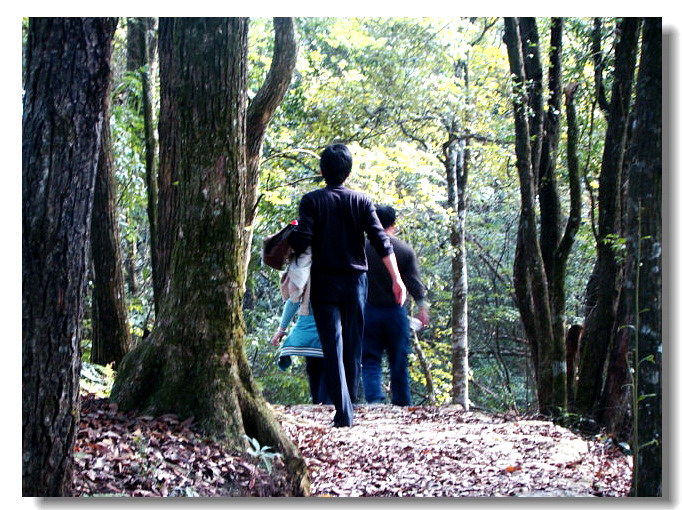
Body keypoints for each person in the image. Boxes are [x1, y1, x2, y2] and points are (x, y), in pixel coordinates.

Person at [288, 143, 406, 427]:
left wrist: (292, 235)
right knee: (352, 346)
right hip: (355, 283)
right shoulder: (362, 201)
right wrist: (397, 279)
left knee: (332, 344)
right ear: (348, 172)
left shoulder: (311, 200)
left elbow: (302, 240)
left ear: (322, 171)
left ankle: (344, 410)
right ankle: (347, 405)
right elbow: (381, 241)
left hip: (324, 282)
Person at [362, 205, 429, 406]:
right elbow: (414, 282)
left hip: (368, 310)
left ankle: (375, 400)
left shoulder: (361, 248)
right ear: (394, 224)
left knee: (370, 358)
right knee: (398, 359)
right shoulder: (404, 250)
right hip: (395, 312)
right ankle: (402, 403)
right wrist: (422, 308)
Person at [271, 245, 330, 405]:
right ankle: (325, 404)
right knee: (328, 368)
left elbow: (293, 301)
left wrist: (281, 330)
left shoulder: (305, 269)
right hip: (331, 327)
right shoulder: (337, 264)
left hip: (310, 327)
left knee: (315, 369)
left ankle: (319, 404)